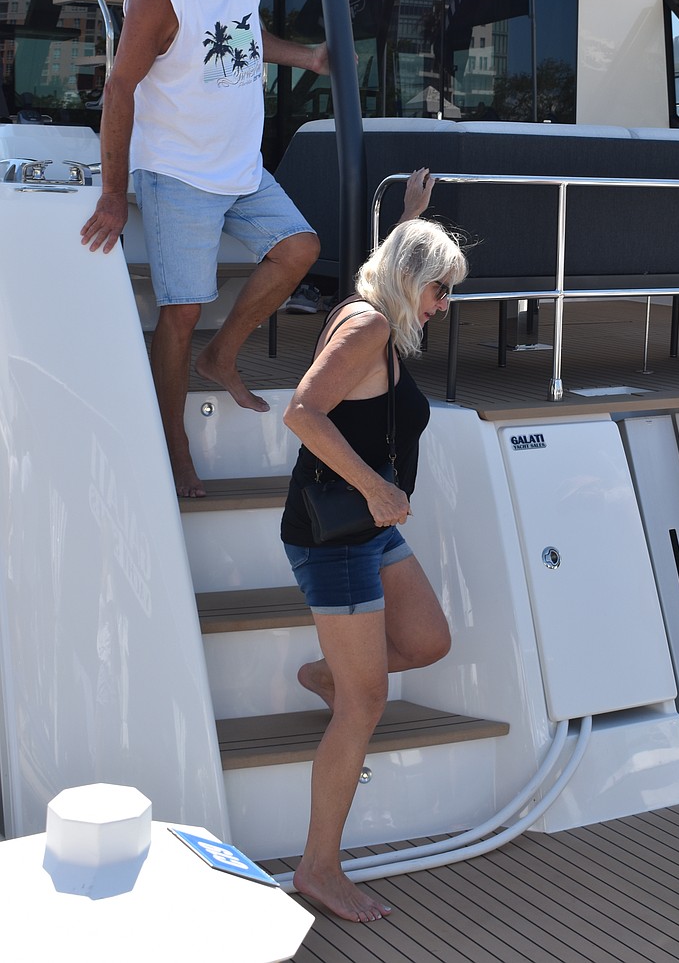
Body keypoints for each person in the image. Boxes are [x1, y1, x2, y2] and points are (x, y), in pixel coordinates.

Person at [80, 0, 327, 498]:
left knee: (300, 248)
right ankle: (173, 443)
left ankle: (222, 358)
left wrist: (308, 57)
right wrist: (113, 193)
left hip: (242, 168)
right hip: (179, 172)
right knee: (183, 311)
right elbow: (118, 89)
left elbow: (247, 38)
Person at [281, 170, 468, 923]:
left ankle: (330, 673)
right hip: (338, 532)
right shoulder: (366, 326)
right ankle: (319, 868)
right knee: (369, 702)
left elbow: (388, 263)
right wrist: (377, 489)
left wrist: (412, 216)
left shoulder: (376, 303)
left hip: (367, 526)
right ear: (411, 281)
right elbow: (300, 412)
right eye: (440, 291)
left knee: (426, 639)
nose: (444, 307)